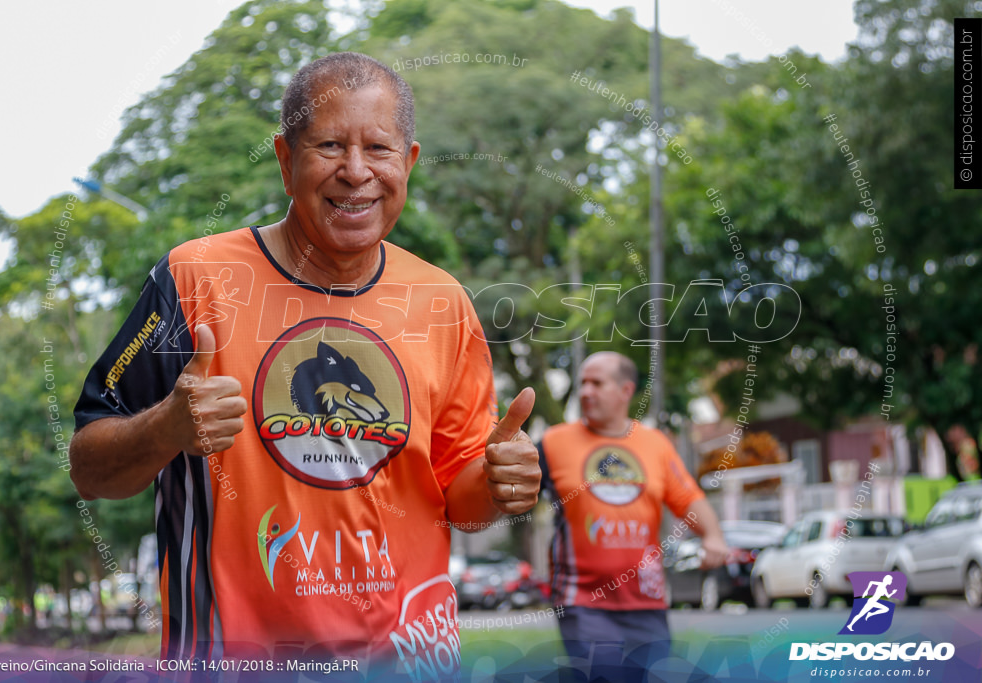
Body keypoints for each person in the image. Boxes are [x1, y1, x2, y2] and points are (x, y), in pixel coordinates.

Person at [69, 52, 541, 674]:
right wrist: (167, 428)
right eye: (328, 146)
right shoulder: (195, 279)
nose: (355, 172)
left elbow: (459, 498)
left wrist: (502, 486)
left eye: (379, 148)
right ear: (286, 160)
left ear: (410, 162)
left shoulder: (441, 302)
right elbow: (89, 468)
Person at [539, 351, 729, 680]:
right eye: (582, 383)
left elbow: (687, 497)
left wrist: (713, 536)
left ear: (626, 391)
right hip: (583, 598)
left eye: (597, 383)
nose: (585, 391)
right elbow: (511, 494)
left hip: (646, 600)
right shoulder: (553, 443)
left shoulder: (654, 443)